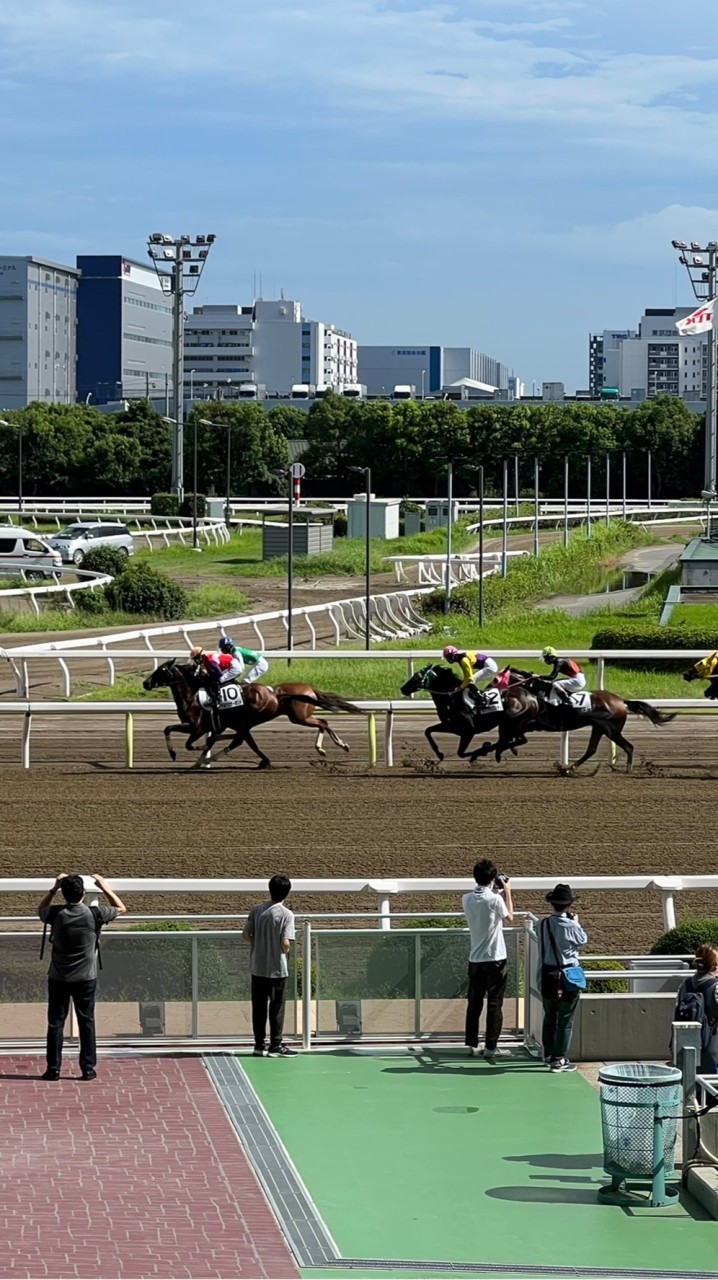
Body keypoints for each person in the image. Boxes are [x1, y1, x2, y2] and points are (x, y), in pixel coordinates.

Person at [37, 873, 126, 1081]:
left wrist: (53, 889)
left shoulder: (56, 913)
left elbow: (40, 910)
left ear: (63, 894)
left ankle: (53, 1069)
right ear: (84, 894)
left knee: (55, 1023)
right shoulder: (94, 914)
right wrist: (104, 887)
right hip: (86, 978)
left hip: (59, 977)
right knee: (86, 1022)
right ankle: (87, 1068)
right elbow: (121, 908)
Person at [462, 859, 514, 1061]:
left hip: (474, 958)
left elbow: (483, 900)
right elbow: (509, 917)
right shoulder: (495, 900)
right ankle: (491, 1047)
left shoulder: (466, 898)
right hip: (495, 958)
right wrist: (507, 891)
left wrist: (497, 893)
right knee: (494, 1004)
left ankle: (472, 1044)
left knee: (474, 1003)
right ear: (493, 879)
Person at [243, 875, 297, 1058]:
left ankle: (259, 1044)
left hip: (257, 966)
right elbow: (286, 942)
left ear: (270, 889)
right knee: (277, 1007)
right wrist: (284, 949)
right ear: (287, 893)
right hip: (277, 968)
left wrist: (257, 944)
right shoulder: (287, 915)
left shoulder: (257, 910)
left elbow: (245, 934)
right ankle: (276, 1044)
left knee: (258, 1007)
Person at [536, 884, 588, 1073]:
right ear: (568, 906)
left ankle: (548, 1054)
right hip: (567, 977)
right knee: (565, 1020)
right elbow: (582, 940)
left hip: (547, 975)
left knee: (549, 1016)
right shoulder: (571, 925)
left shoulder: (540, 924)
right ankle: (559, 1059)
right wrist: (576, 922)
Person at [675, 943, 718, 1074]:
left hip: (688, 1044)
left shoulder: (685, 985)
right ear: (715, 965)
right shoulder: (716, 986)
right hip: (714, 1048)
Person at [443, 646, 499, 711]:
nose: (447, 659)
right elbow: (467, 675)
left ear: (452, 656)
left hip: (490, 667)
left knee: (471, 681)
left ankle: (481, 700)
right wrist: (463, 684)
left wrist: (460, 687)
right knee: (468, 682)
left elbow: (469, 678)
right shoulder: (460, 658)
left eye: (447, 657)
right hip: (487, 664)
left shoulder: (463, 660)